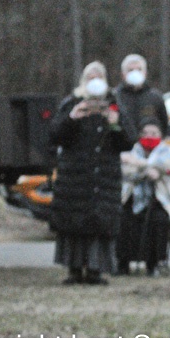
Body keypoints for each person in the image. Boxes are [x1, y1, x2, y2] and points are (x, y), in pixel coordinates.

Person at [49, 61, 137, 285]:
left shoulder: (114, 104)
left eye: (99, 77)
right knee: (74, 222)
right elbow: (55, 135)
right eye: (91, 77)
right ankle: (74, 270)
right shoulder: (72, 102)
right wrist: (72, 118)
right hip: (74, 177)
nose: (95, 81)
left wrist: (116, 123)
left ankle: (96, 270)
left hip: (104, 176)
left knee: (100, 223)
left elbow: (128, 141)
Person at [116, 118, 170, 277]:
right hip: (132, 198)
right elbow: (125, 171)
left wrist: (138, 165)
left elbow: (165, 168)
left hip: (160, 199)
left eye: (153, 133)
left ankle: (153, 264)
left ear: (161, 135)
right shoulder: (131, 150)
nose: (149, 136)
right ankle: (122, 263)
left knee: (158, 220)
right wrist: (147, 170)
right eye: (145, 133)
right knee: (123, 219)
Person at [114, 54, 169, 136]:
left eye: (139, 69)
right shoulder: (116, 97)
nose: (135, 73)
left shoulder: (155, 97)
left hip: (147, 142)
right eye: (130, 70)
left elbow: (164, 125)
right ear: (123, 75)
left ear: (145, 73)